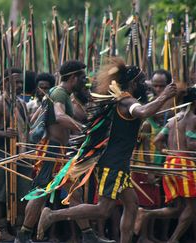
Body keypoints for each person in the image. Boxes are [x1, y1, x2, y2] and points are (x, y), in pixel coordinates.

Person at [36, 57, 177, 243]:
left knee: (132, 204)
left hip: (119, 164)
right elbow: (143, 112)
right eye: (142, 82)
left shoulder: (122, 99)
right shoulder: (127, 101)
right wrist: (164, 96)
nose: (146, 86)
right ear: (133, 83)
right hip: (113, 164)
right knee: (104, 209)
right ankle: (52, 216)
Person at [16, 60, 94, 243]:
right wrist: (83, 129)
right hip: (52, 151)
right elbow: (59, 116)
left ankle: (89, 236)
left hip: (58, 150)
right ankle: (23, 235)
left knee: (72, 193)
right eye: (82, 78)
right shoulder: (59, 92)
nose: (85, 81)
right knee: (42, 193)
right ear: (73, 78)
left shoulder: (62, 93)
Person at [135, 87, 196, 243]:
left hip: (170, 164)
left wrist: (166, 150)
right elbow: (190, 144)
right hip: (184, 165)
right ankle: (173, 239)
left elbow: (157, 140)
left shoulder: (172, 119)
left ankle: (146, 213)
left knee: (179, 209)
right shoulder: (192, 118)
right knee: (191, 207)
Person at [0, 67, 28, 241]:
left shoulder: (20, 103)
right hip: (3, 154)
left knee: (22, 193)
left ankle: (18, 227)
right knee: (0, 193)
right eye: (16, 82)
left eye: (21, 82)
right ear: (5, 83)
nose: (20, 85)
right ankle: (1, 229)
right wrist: (4, 134)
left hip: (21, 154)